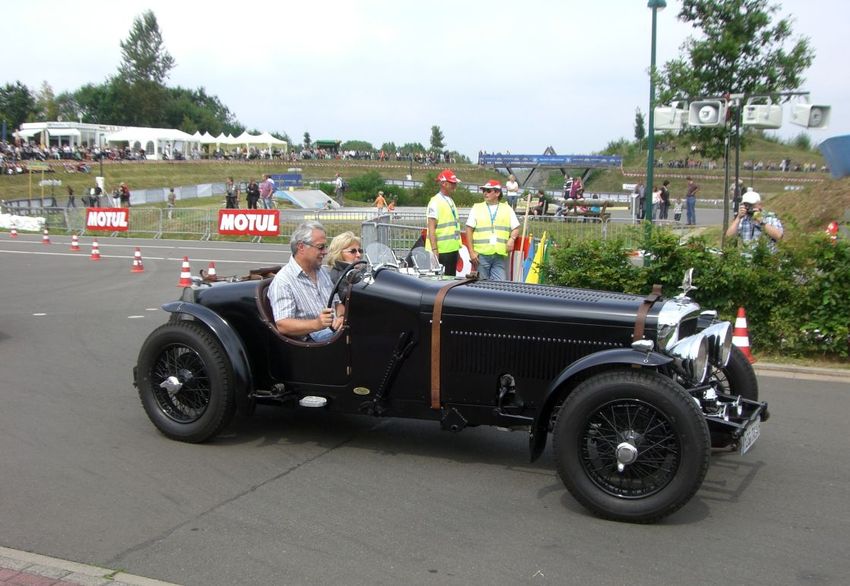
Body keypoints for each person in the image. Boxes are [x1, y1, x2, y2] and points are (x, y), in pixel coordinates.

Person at [267, 221, 344, 342]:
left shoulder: (322, 272)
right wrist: (317, 324)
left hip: (333, 334)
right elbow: (283, 324)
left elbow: (337, 303)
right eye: (320, 247)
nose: (325, 252)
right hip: (311, 344)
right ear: (301, 247)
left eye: (325, 246)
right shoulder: (283, 281)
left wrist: (341, 317)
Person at [465, 180, 520, 280]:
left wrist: (512, 239)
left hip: (499, 255)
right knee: (481, 286)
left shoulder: (507, 209)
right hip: (481, 256)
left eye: (488, 191)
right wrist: (471, 252)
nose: (485, 193)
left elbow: (516, 227)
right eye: (484, 191)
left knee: (500, 284)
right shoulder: (477, 207)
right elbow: (469, 230)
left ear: (497, 193)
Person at [425, 169, 462, 276]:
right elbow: (431, 227)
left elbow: (454, 226)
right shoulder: (435, 202)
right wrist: (435, 250)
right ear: (444, 184)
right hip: (441, 251)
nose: (455, 186)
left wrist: (457, 249)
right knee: (439, 283)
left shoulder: (450, 200)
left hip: (451, 249)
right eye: (452, 183)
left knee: (450, 282)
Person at [324, 231, 364, 301]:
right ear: (339, 253)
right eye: (353, 251)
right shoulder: (340, 277)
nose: (359, 255)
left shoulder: (357, 272)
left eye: (360, 250)